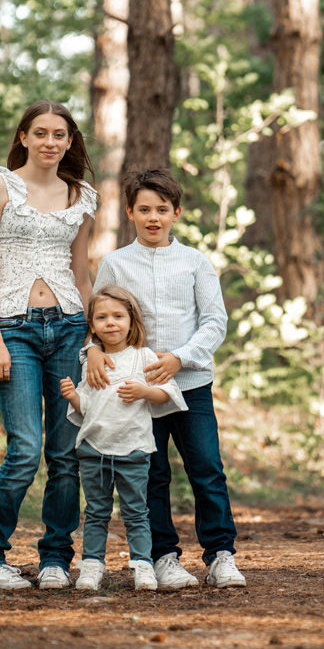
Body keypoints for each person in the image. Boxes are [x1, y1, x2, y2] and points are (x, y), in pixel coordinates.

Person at [88, 168, 246, 590]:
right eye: (144, 210)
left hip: (190, 383)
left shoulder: (195, 262)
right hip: (137, 391)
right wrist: (91, 350)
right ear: (130, 213)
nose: (153, 218)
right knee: (151, 474)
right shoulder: (115, 263)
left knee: (207, 468)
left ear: (176, 212)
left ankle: (220, 555)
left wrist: (180, 358)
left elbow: (215, 321)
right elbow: (96, 319)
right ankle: (163, 557)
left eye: (162, 209)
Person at [0, 100, 97, 590]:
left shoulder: (82, 195)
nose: (50, 142)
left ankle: (56, 560)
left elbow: (82, 274)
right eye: (40, 133)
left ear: (68, 140)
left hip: (68, 327)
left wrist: (96, 342)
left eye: (59, 134)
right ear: (23, 137)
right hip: (14, 328)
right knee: (24, 449)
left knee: (66, 454)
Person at [60, 284, 187, 592]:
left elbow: (168, 394)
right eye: (102, 317)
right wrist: (73, 397)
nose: (111, 323)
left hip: (134, 450)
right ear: (92, 326)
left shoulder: (142, 356)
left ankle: (142, 566)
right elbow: (88, 406)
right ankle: (91, 567)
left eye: (118, 316)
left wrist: (145, 391)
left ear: (132, 321)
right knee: (96, 511)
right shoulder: (91, 360)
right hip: (94, 449)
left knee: (136, 511)